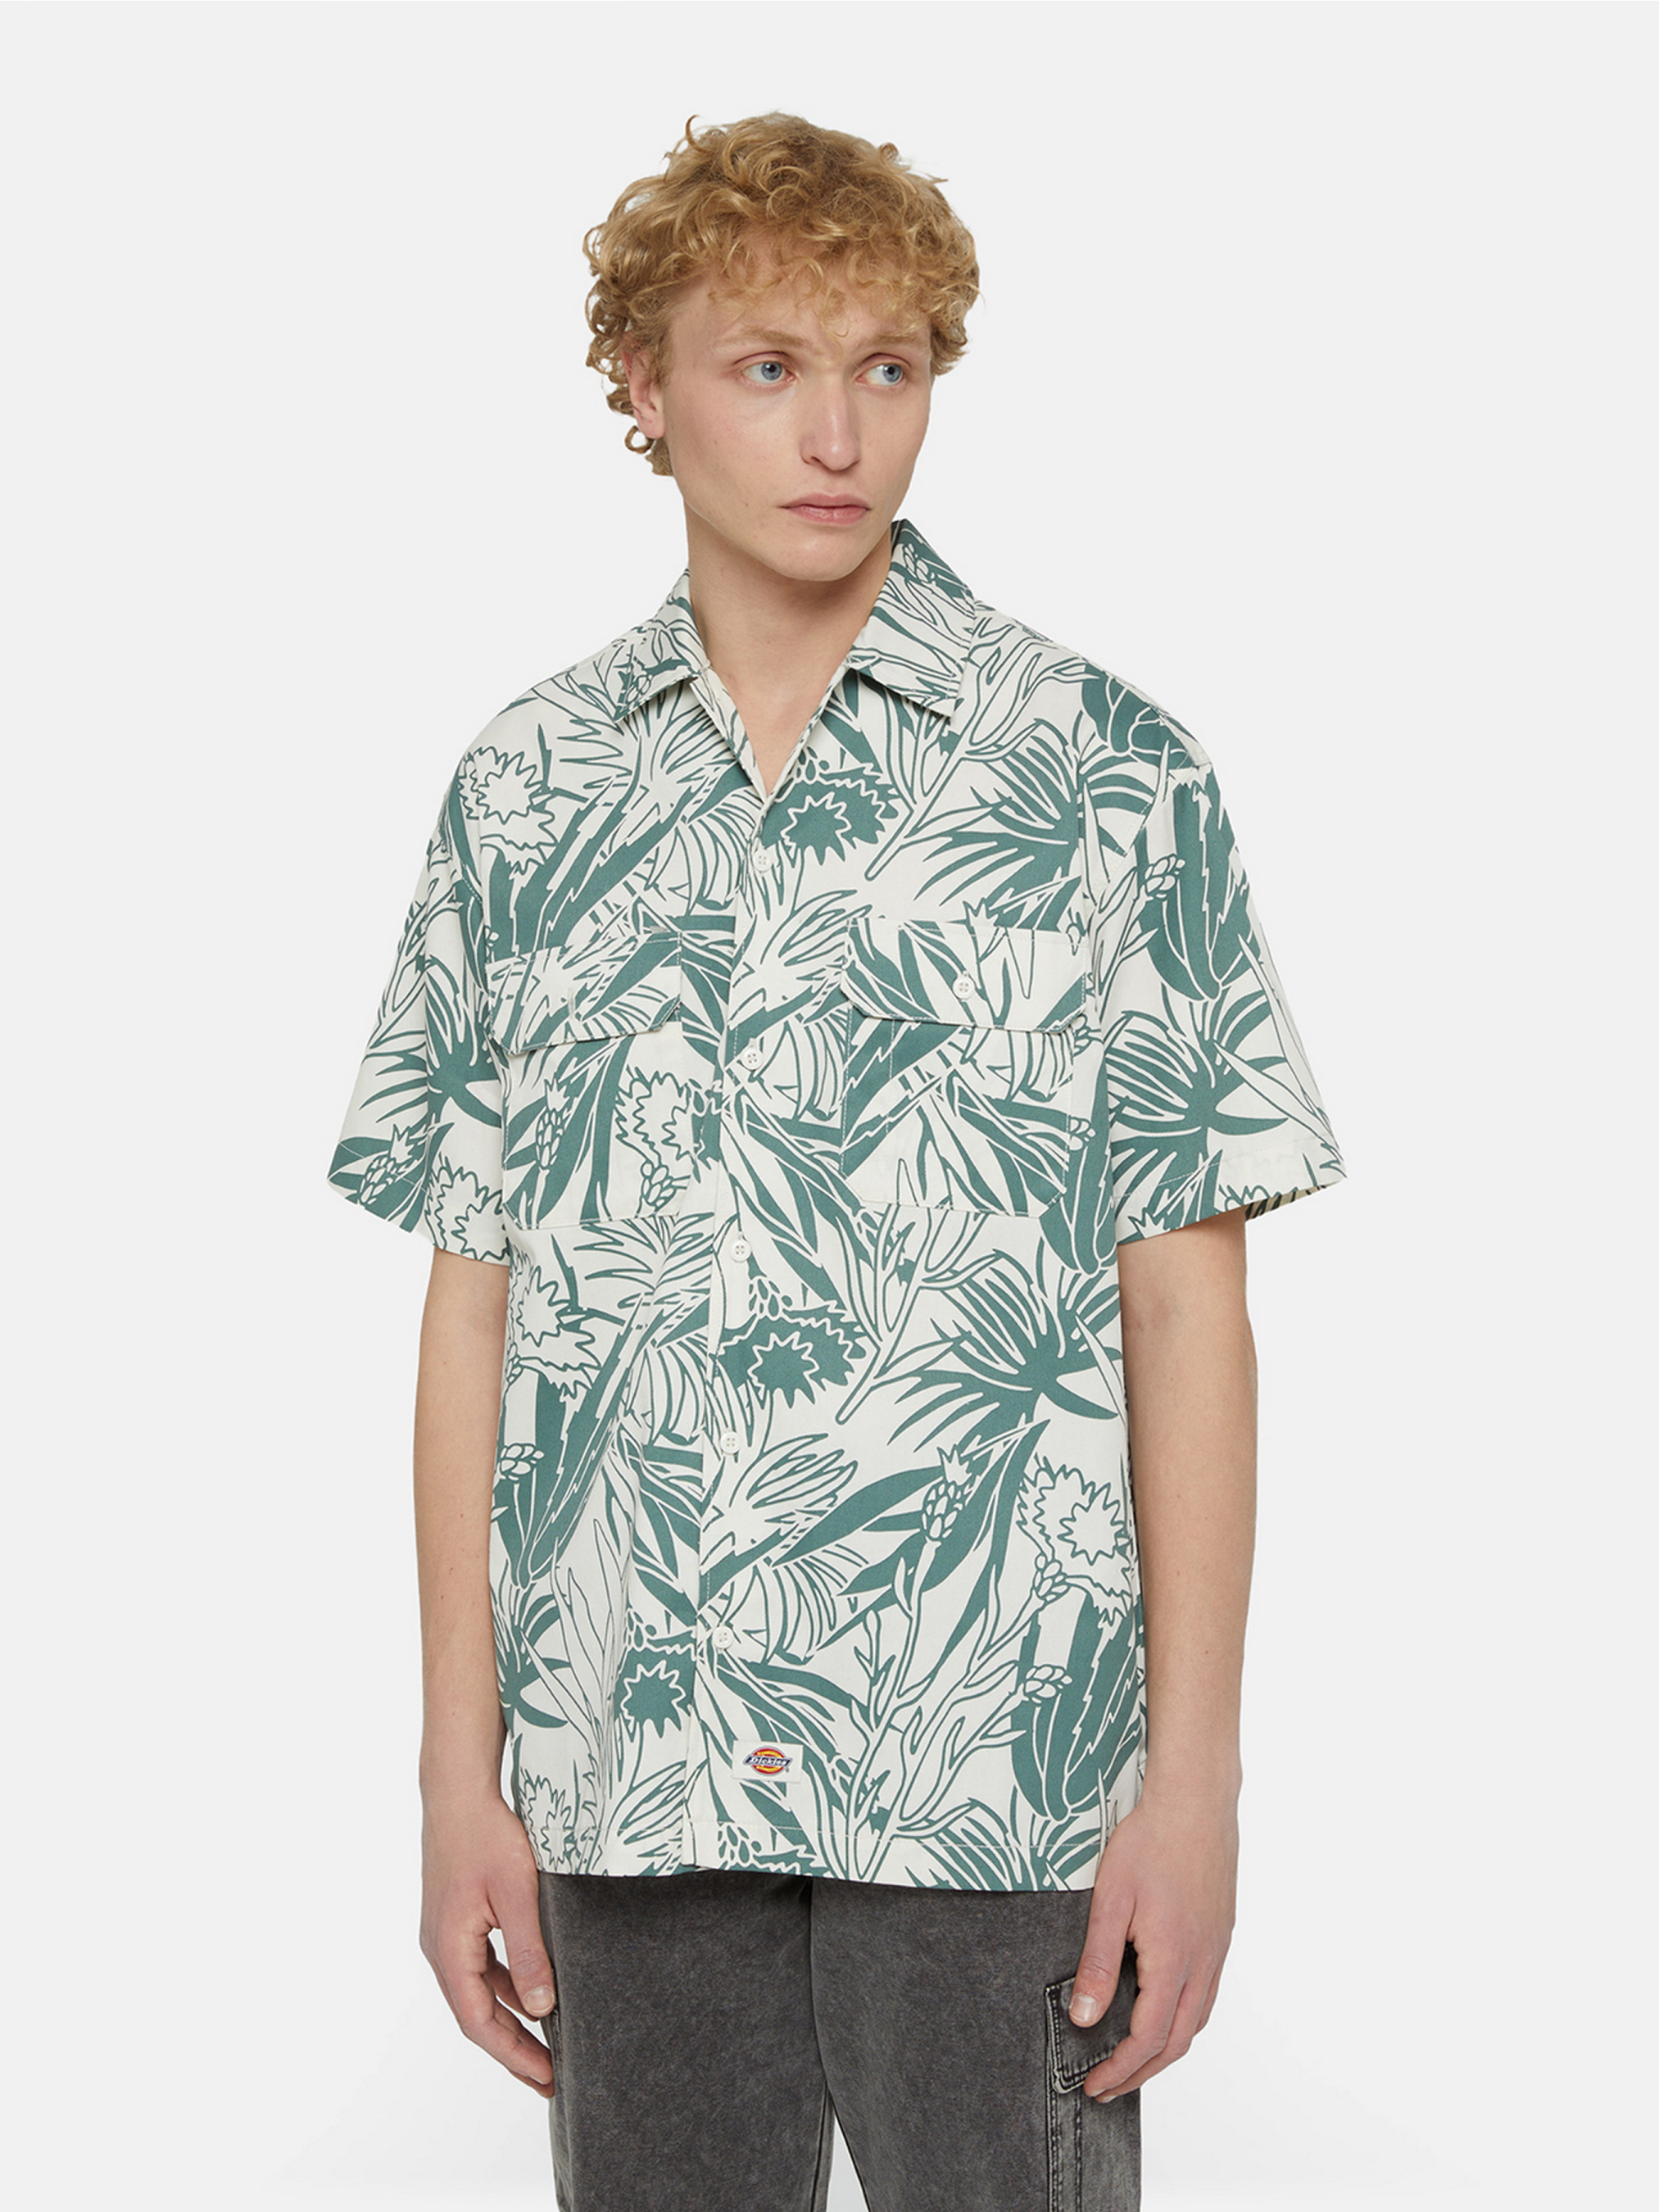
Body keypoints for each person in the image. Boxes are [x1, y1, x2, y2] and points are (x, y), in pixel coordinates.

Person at [327, 111, 1347, 2212]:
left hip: (991, 1770)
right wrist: (458, 1771)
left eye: (886, 367)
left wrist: (1193, 1786)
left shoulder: (1103, 776)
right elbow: (474, 1303)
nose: (835, 434)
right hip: (628, 1760)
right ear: (642, 387)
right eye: (768, 366)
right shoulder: (525, 792)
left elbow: (1188, 1311)